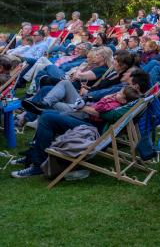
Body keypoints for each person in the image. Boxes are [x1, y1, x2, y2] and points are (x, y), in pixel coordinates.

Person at [11, 70, 150, 178]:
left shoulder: (130, 100)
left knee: (47, 116)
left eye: (128, 82)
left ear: (135, 86)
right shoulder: (130, 98)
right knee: (52, 102)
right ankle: (34, 154)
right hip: (87, 108)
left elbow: (110, 114)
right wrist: (91, 98)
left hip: (90, 124)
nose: (123, 84)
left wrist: (84, 106)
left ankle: (37, 164)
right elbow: (103, 100)